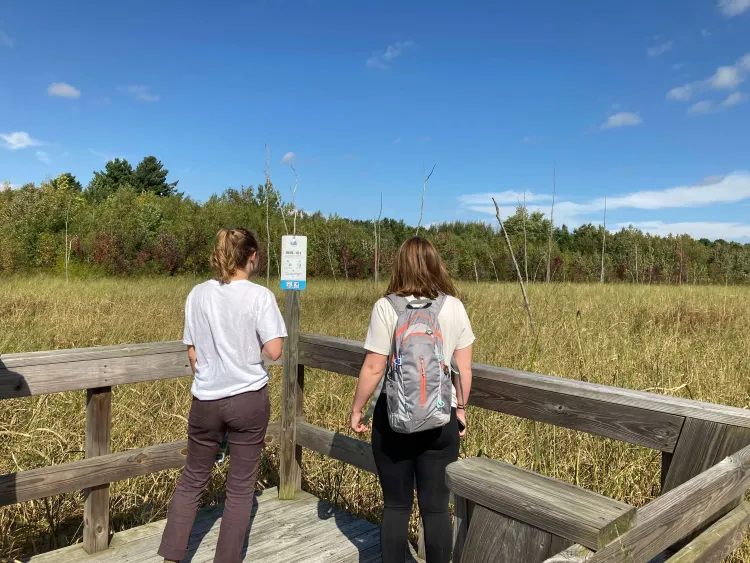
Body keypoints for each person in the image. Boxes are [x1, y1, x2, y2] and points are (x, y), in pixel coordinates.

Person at [159, 228, 287, 563]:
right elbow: (274, 350)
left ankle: (171, 555)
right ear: (252, 257)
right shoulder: (260, 297)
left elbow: (192, 353)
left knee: (192, 480)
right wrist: (247, 350)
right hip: (248, 398)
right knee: (241, 488)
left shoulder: (198, 294)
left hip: (206, 398)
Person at [350, 236, 474, 563]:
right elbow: (462, 368)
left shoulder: (386, 306)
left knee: (396, 506)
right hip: (440, 418)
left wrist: (357, 409)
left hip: (393, 420)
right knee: (435, 509)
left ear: (399, 265)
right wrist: (460, 409)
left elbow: (374, 367)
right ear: (436, 264)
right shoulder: (453, 307)